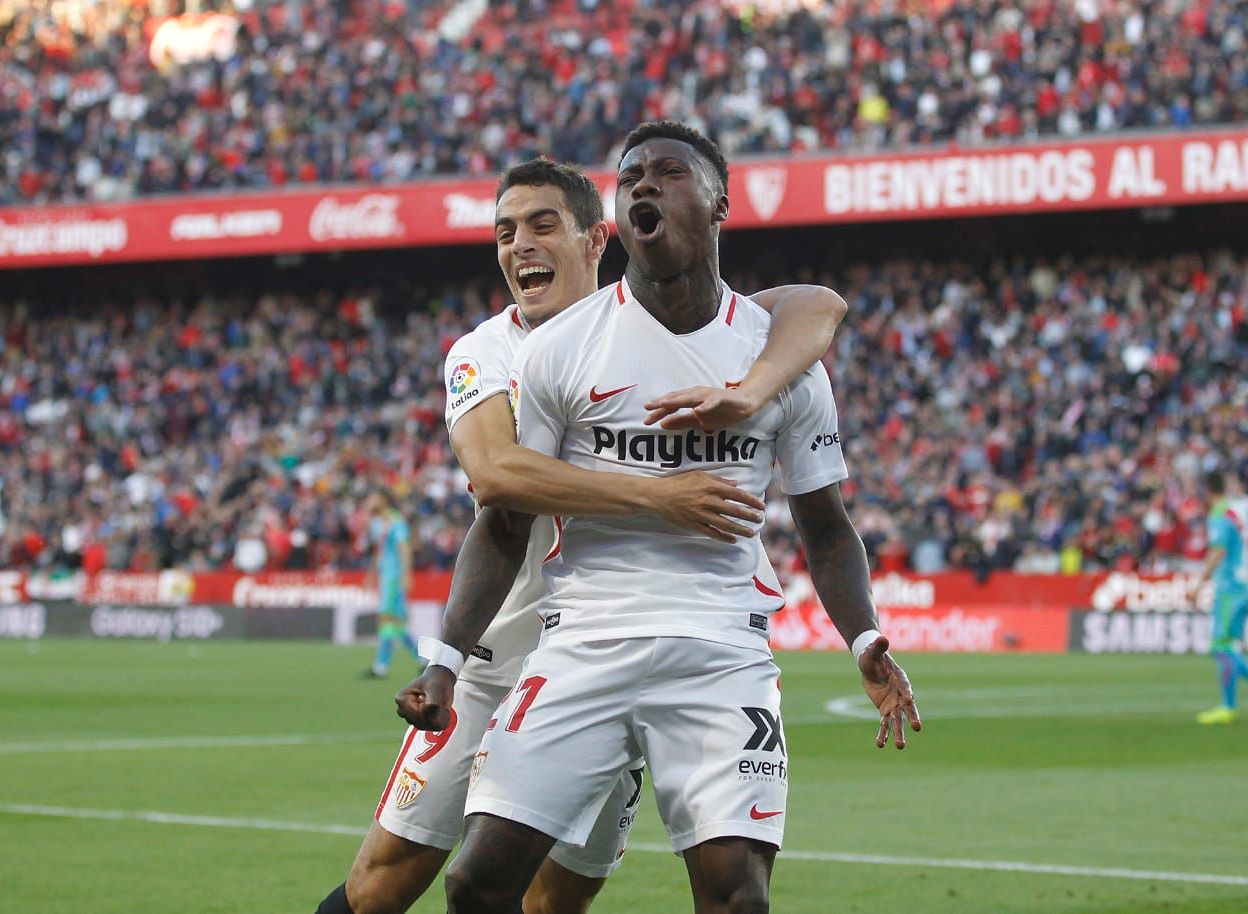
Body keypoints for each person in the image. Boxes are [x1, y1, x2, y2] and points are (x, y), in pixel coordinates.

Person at [397, 122, 919, 914]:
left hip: (722, 653)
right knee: (477, 883)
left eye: (669, 173)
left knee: (737, 895)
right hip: (580, 644)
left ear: (719, 205)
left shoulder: (779, 359)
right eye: (631, 174)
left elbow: (826, 526)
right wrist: (445, 655)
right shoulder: (560, 350)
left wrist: (867, 637)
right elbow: (502, 520)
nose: (644, 184)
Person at [1194, 470, 1248, 725]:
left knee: (1221, 646)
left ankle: (1235, 702)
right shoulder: (1238, 510)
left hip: (1230, 587)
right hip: (1245, 583)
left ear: (1207, 490)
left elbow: (1218, 550)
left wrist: (1200, 582)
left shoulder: (1219, 515)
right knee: (1227, 646)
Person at [362, 488, 419, 679]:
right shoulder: (377, 523)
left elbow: (404, 548)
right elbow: (378, 551)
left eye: (373, 496)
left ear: (383, 499)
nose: (369, 500)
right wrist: (371, 576)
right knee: (398, 624)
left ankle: (381, 666)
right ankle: (423, 660)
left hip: (394, 577)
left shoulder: (396, 521)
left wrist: (406, 575)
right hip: (385, 576)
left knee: (387, 619)